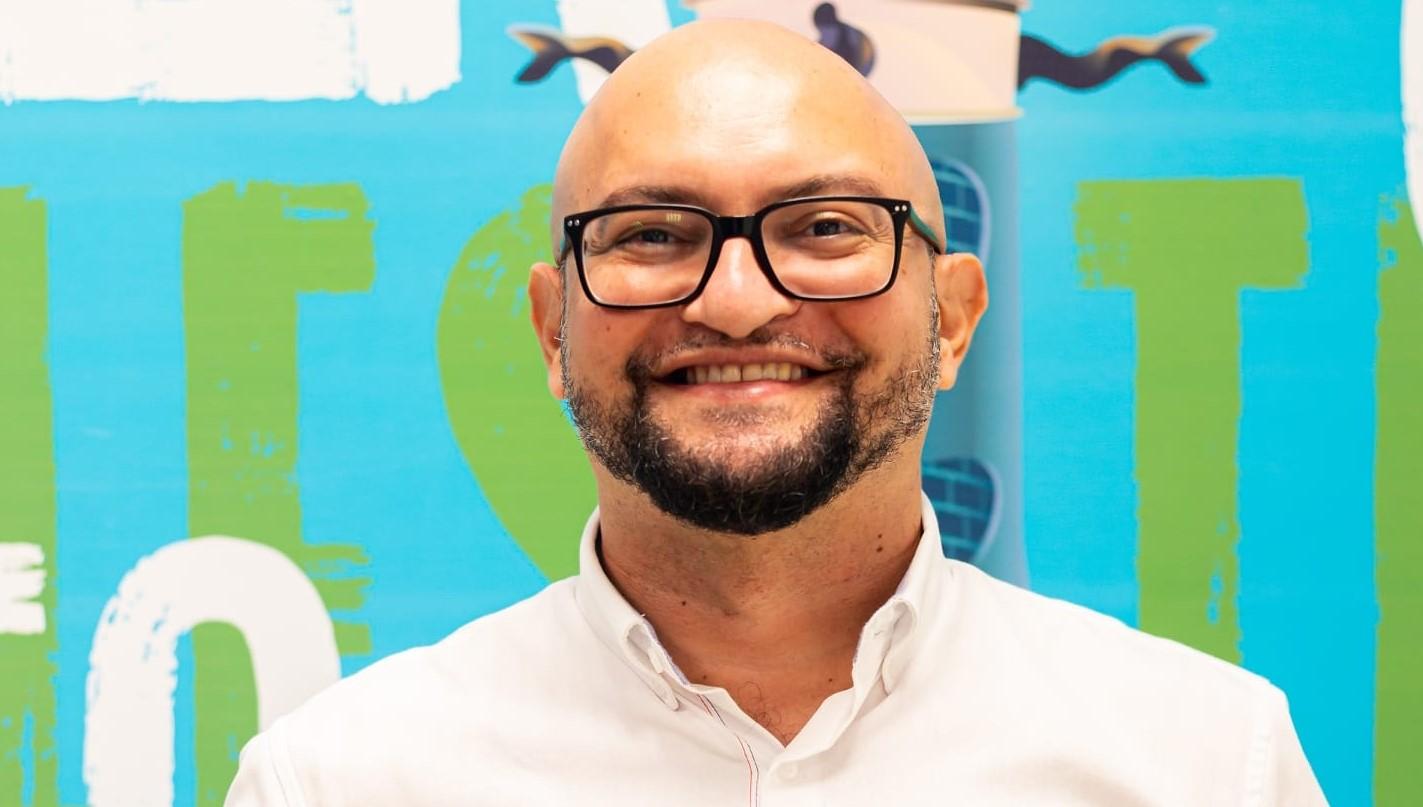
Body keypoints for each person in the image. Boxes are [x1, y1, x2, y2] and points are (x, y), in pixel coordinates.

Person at [226, 19, 1326, 806]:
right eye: (652, 235)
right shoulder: (341, 780)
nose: (738, 301)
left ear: (951, 319)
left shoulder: (1204, 763)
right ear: (550, 331)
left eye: (827, 230)